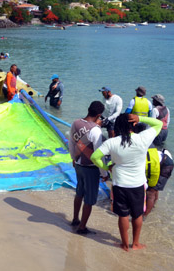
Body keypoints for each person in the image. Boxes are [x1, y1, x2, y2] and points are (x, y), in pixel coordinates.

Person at [90, 113, 163, 251]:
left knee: (123, 215)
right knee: (137, 214)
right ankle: (135, 244)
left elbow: (95, 157)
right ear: (133, 124)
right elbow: (158, 124)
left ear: (118, 126)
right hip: (137, 185)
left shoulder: (112, 142)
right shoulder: (142, 139)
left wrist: (107, 167)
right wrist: (140, 118)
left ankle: (124, 245)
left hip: (119, 184)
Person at [69, 101, 106, 235]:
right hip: (90, 168)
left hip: (78, 164)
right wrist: (104, 172)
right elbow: (98, 154)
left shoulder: (76, 123)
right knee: (89, 199)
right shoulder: (96, 131)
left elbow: (71, 142)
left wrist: (73, 158)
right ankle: (82, 227)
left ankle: (75, 219)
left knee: (79, 192)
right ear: (99, 115)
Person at [145, 147, 174, 217]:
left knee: (151, 192)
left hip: (165, 164)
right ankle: (153, 206)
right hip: (161, 160)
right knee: (154, 188)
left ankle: (144, 215)